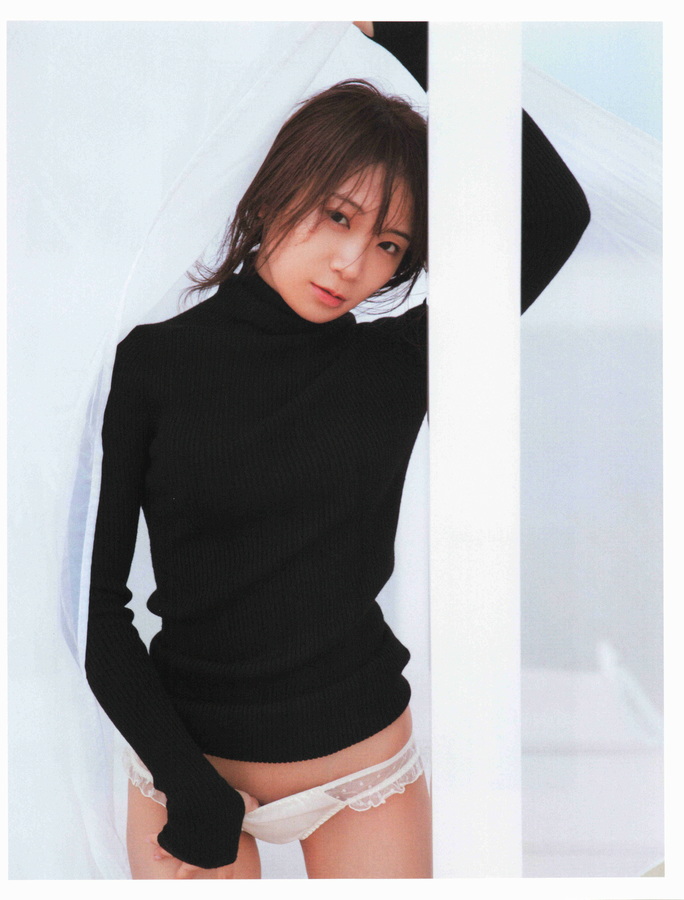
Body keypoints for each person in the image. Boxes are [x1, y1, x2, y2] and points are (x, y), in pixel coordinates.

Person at [85, 73, 589, 878]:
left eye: (390, 245)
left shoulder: (399, 364)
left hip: (361, 771)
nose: (352, 262)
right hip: (185, 768)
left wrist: (406, 29)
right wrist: (187, 781)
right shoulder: (150, 366)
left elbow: (557, 213)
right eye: (338, 216)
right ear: (272, 195)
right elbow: (93, 606)